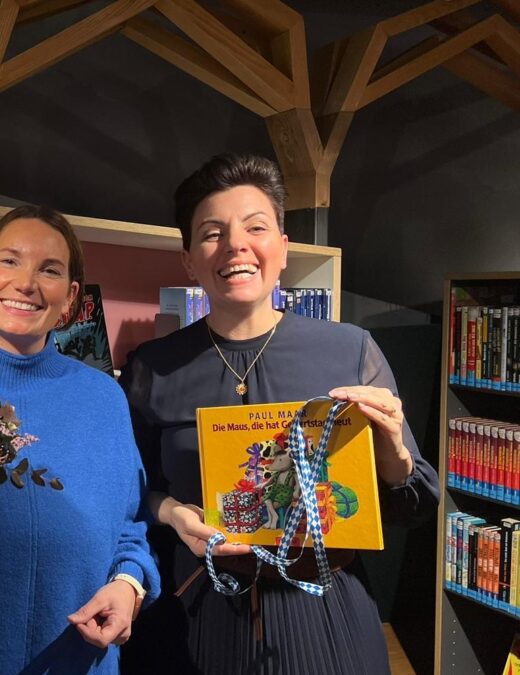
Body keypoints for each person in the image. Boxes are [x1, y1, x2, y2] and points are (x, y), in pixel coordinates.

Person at [118, 153, 439, 674]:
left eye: (255, 227)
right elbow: (131, 491)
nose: (235, 245)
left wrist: (394, 450)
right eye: (212, 233)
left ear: (283, 249)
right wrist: (172, 512)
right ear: (189, 260)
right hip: (196, 613)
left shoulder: (351, 351)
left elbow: (415, 505)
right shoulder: (154, 367)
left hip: (325, 611)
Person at [0, 205, 161, 673]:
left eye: (49, 270)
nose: (26, 283)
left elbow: (129, 528)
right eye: (9, 261)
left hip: (80, 660)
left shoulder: (103, 397)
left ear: (70, 297)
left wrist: (129, 585)